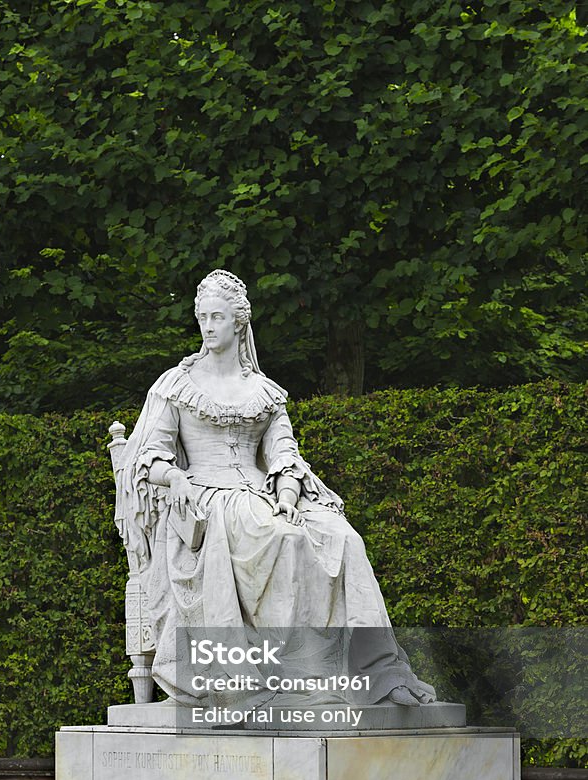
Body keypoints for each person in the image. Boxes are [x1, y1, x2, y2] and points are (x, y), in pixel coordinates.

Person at [115, 269, 435, 709]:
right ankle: (293, 677)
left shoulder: (264, 391)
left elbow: (285, 454)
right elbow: (150, 455)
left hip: (267, 497)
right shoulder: (175, 385)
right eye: (202, 317)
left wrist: (287, 496)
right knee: (280, 538)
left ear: (239, 323)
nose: (208, 327)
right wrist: (175, 478)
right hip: (207, 501)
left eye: (217, 318)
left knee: (344, 539)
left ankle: (377, 671)